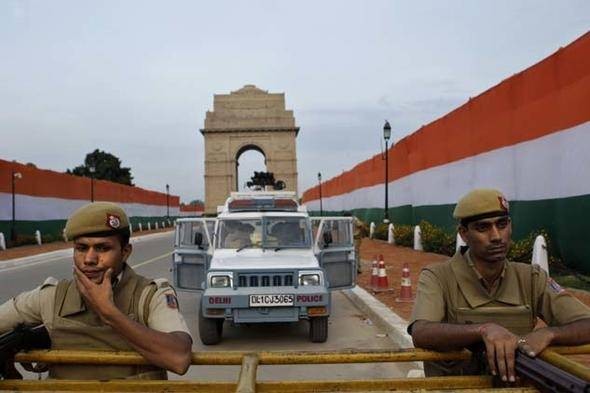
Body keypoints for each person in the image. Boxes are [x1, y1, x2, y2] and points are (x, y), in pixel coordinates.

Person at [409, 189, 590, 382]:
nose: (496, 236)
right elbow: (421, 331)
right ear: (463, 233)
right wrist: (483, 330)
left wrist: (551, 333)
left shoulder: (531, 277)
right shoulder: (438, 276)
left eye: (501, 225)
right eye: (483, 227)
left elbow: (586, 323)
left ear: (510, 226)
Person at [0, 202, 193, 380]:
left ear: (125, 252)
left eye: (102, 248)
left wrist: (108, 312)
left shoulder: (149, 296)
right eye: (81, 248)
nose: (89, 259)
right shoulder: (53, 297)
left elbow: (178, 358)